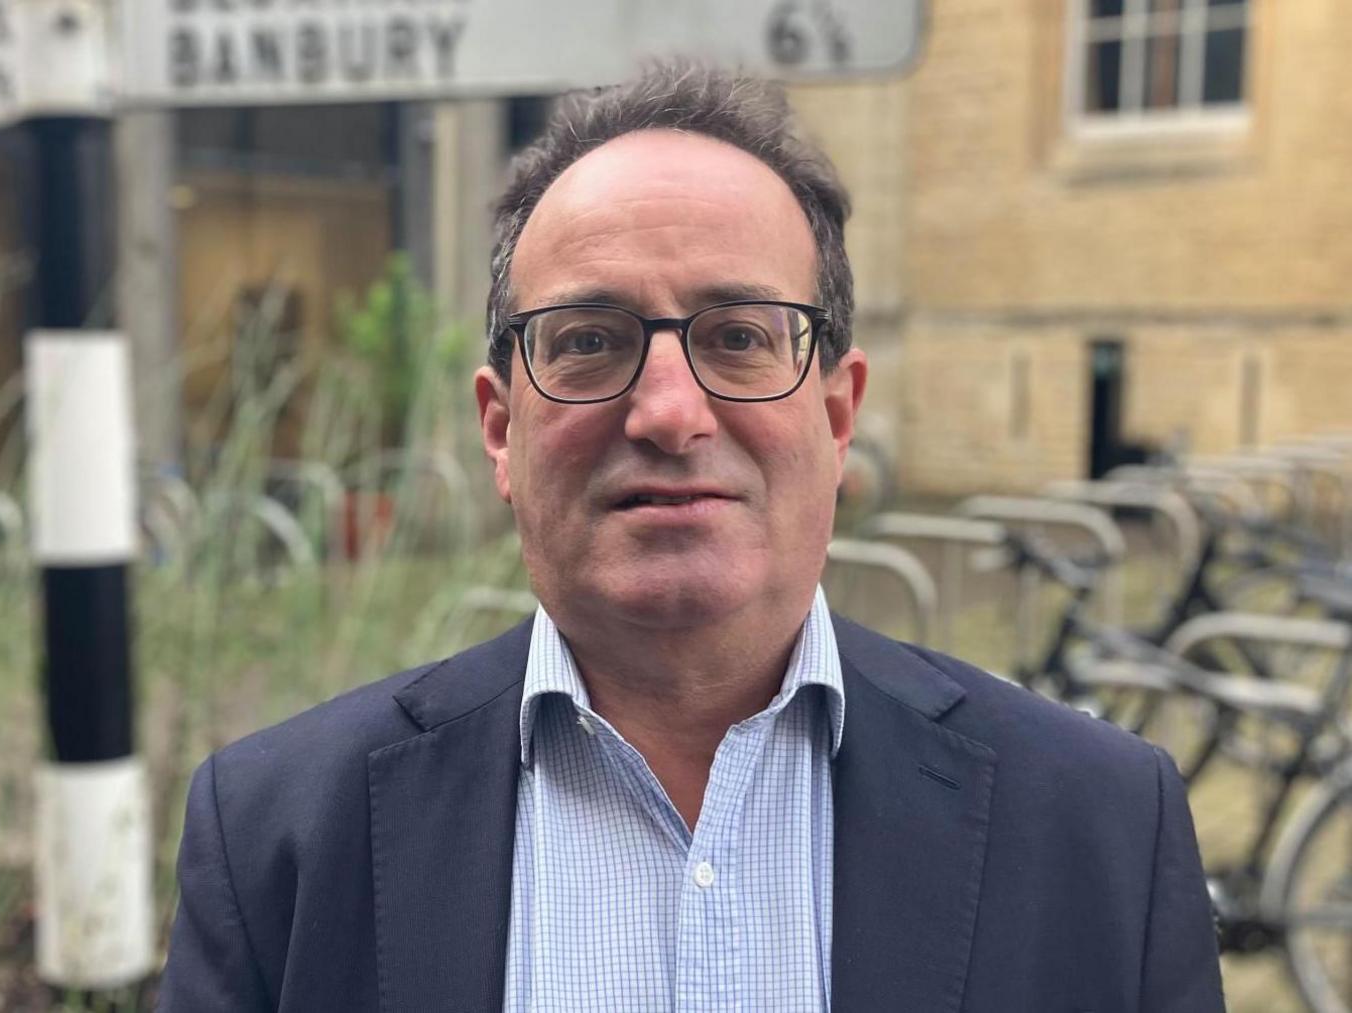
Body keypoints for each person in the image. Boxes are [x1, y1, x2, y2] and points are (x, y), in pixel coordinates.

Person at [156, 61, 1224, 1012]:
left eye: (740, 336)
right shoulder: (277, 842)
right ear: (500, 426)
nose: (669, 411)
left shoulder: (1101, 830)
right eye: (587, 340)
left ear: (837, 414)